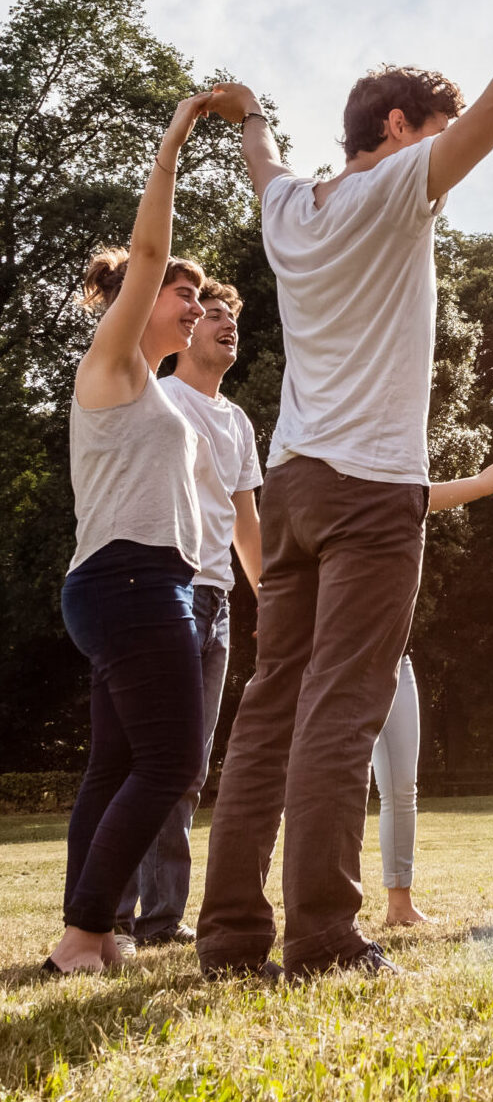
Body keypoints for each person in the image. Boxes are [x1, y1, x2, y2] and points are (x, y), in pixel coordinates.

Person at [196, 0, 493, 981]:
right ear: (404, 128)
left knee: (272, 698)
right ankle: (322, 934)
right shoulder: (393, 189)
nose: (451, 155)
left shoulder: (290, 212)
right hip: (370, 488)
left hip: (291, 486)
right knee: (341, 703)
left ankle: (229, 934)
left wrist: (249, 113)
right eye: (438, 134)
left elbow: (264, 159)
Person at [45, 92, 215, 975]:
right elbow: (148, 251)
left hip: (140, 584)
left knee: (115, 766)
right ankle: (85, 934)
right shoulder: (110, 360)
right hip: (130, 582)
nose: (191, 305)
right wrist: (174, 140)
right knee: (173, 758)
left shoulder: (151, 388)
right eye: (179, 294)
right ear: (131, 302)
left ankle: (94, 931)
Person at [116, 279, 263, 949]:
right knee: (147, 761)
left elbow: (246, 523)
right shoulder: (158, 397)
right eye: (212, 314)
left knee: (190, 768)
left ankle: (159, 919)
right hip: (161, 591)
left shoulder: (236, 422)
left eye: (233, 316)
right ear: (186, 327)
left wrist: (270, 600)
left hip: (217, 601)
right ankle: (110, 913)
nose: (226, 323)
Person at [371, 436, 493, 928]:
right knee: (337, 787)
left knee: (402, 788)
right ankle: (323, 908)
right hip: (339, 667)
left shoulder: (410, 497)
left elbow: (483, 484)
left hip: (397, 664)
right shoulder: (335, 502)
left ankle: (399, 905)